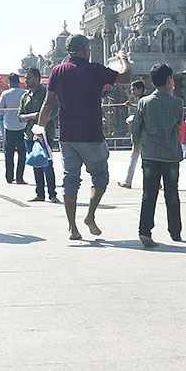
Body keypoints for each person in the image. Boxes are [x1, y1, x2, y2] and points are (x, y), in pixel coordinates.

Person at [38, 34, 131, 241]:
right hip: (91, 134)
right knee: (100, 175)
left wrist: (40, 128)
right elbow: (125, 78)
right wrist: (123, 59)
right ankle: (90, 215)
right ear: (85, 49)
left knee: (70, 179)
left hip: (67, 135)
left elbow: (48, 103)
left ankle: (72, 228)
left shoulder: (57, 71)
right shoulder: (94, 70)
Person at [131, 63, 185, 247]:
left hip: (150, 156)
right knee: (172, 194)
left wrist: (138, 145)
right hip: (170, 156)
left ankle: (145, 231)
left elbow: (136, 128)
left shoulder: (144, 102)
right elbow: (178, 124)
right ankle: (175, 231)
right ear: (169, 80)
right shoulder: (177, 103)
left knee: (149, 193)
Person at [19, 68, 58, 202]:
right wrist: (31, 116)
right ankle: (39, 194)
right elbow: (20, 116)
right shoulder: (25, 97)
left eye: (28, 78)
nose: (26, 80)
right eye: (25, 78)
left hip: (45, 135)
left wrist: (42, 119)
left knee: (47, 165)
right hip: (29, 136)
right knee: (36, 163)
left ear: (37, 79)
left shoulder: (47, 93)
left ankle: (52, 194)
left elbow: (55, 110)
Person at [0, 73, 28, 185]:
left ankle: (9, 177)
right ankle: (20, 177)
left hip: (9, 127)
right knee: (22, 153)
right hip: (22, 126)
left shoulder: (5, 94)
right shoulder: (25, 93)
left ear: (10, 83)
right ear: (18, 82)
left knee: (9, 154)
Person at [118, 79, 147, 189]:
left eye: (134, 89)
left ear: (140, 89)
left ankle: (128, 182)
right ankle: (155, 182)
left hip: (140, 136)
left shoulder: (144, 100)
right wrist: (131, 106)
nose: (132, 92)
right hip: (143, 136)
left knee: (135, 158)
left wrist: (132, 121)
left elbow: (142, 115)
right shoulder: (142, 100)